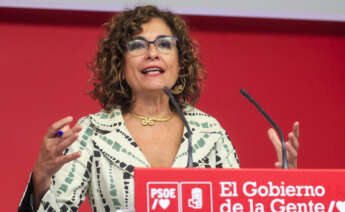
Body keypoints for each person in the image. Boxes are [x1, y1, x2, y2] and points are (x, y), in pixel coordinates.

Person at [18, 5, 299, 211]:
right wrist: (41, 176)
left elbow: (235, 206)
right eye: (138, 45)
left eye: (164, 44)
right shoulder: (92, 132)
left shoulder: (208, 131)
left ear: (180, 61)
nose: (152, 52)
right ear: (120, 63)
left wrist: (284, 191)